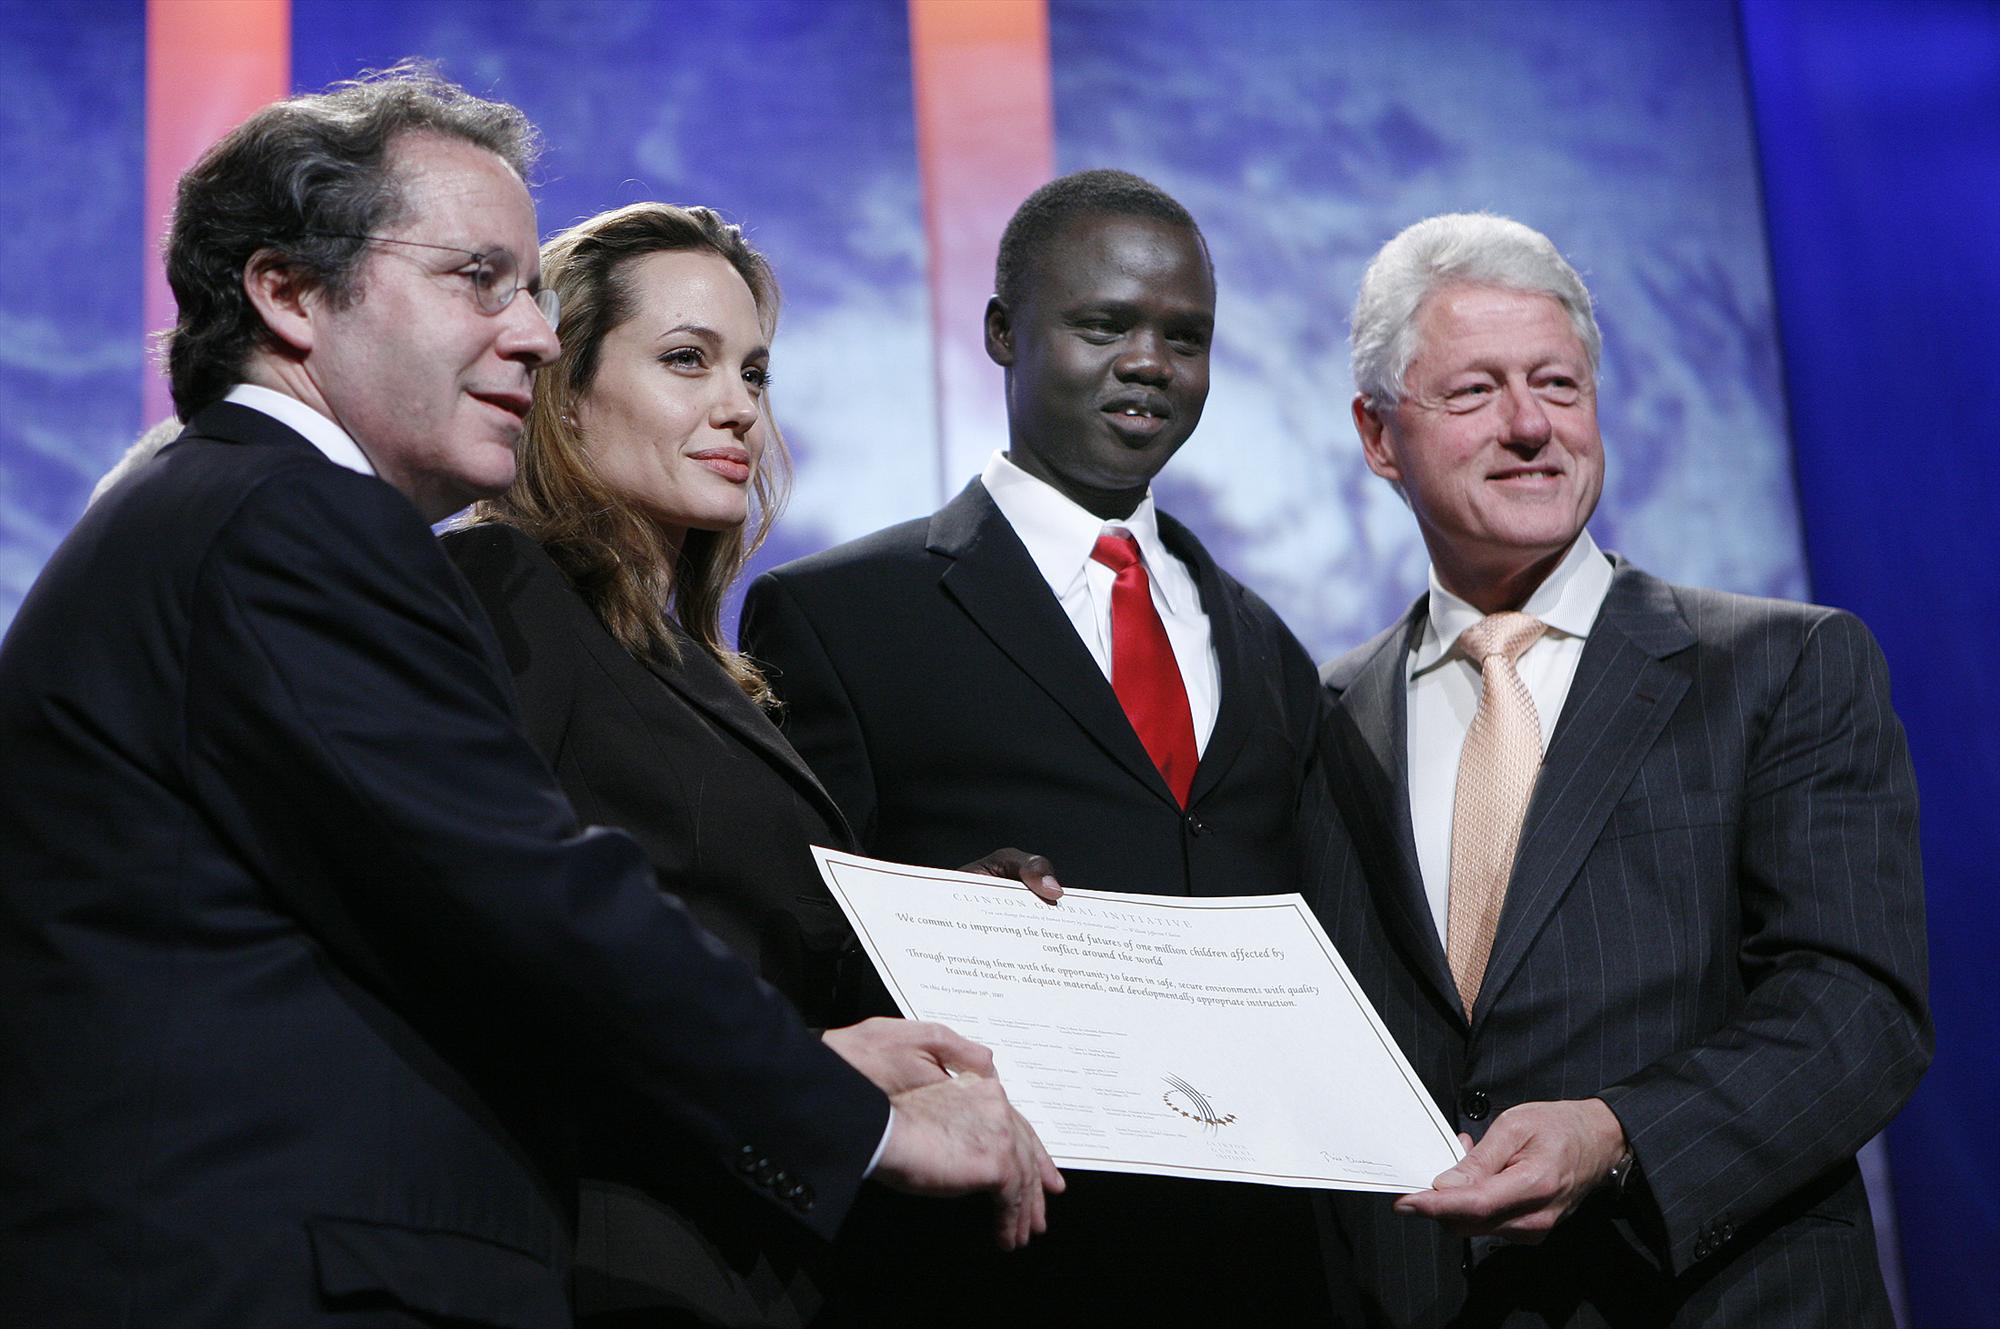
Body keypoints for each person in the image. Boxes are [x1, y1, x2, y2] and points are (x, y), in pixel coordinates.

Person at [0, 67, 1057, 1329]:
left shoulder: (231, 514)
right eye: (475, 279)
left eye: (533, 291)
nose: (537, 334)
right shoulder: (290, 522)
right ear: (287, 293)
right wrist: (854, 1123)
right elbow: (529, 895)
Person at [440, 201, 1062, 1326]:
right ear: (561, 386)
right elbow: (496, 945)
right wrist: (818, 1073)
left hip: (744, 1260)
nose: (738, 407)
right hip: (598, 1260)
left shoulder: (698, 666)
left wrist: (948, 918)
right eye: (687, 361)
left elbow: (757, 952)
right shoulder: (503, 590)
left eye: (754, 371)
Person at [739, 170, 1345, 1324]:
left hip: (1256, 1273)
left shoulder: (1268, 648)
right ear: (1003, 333)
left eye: (1184, 336)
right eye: (1103, 324)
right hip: (982, 1261)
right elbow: (782, 942)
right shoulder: (841, 615)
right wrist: (931, 928)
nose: (1148, 362)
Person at [1314, 212, 1930, 1326]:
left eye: (1557, 384)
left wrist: (1614, 1133)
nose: (1527, 427)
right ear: (1376, 432)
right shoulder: (1314, 722)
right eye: (1472, 393)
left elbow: (1856, 1008)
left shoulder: (1783, 667)